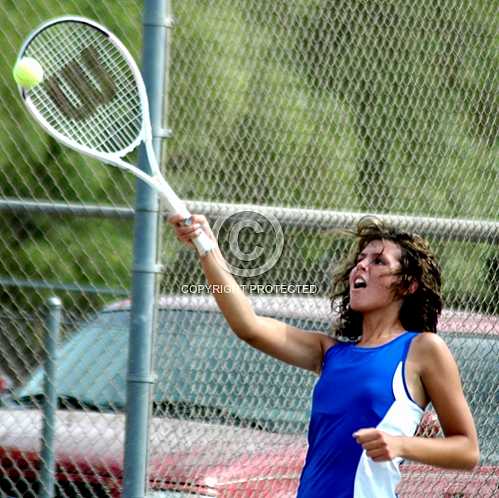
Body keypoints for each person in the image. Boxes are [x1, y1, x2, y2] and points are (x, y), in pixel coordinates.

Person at [168, 214, 479, 498]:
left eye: (379, 261)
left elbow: (467, 450)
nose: (361, 266)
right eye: (360, 259)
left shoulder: (423, 348)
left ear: (407, 285)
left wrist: (400, 445)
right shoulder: (330, 353)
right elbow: (248, 325)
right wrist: (206, 247)